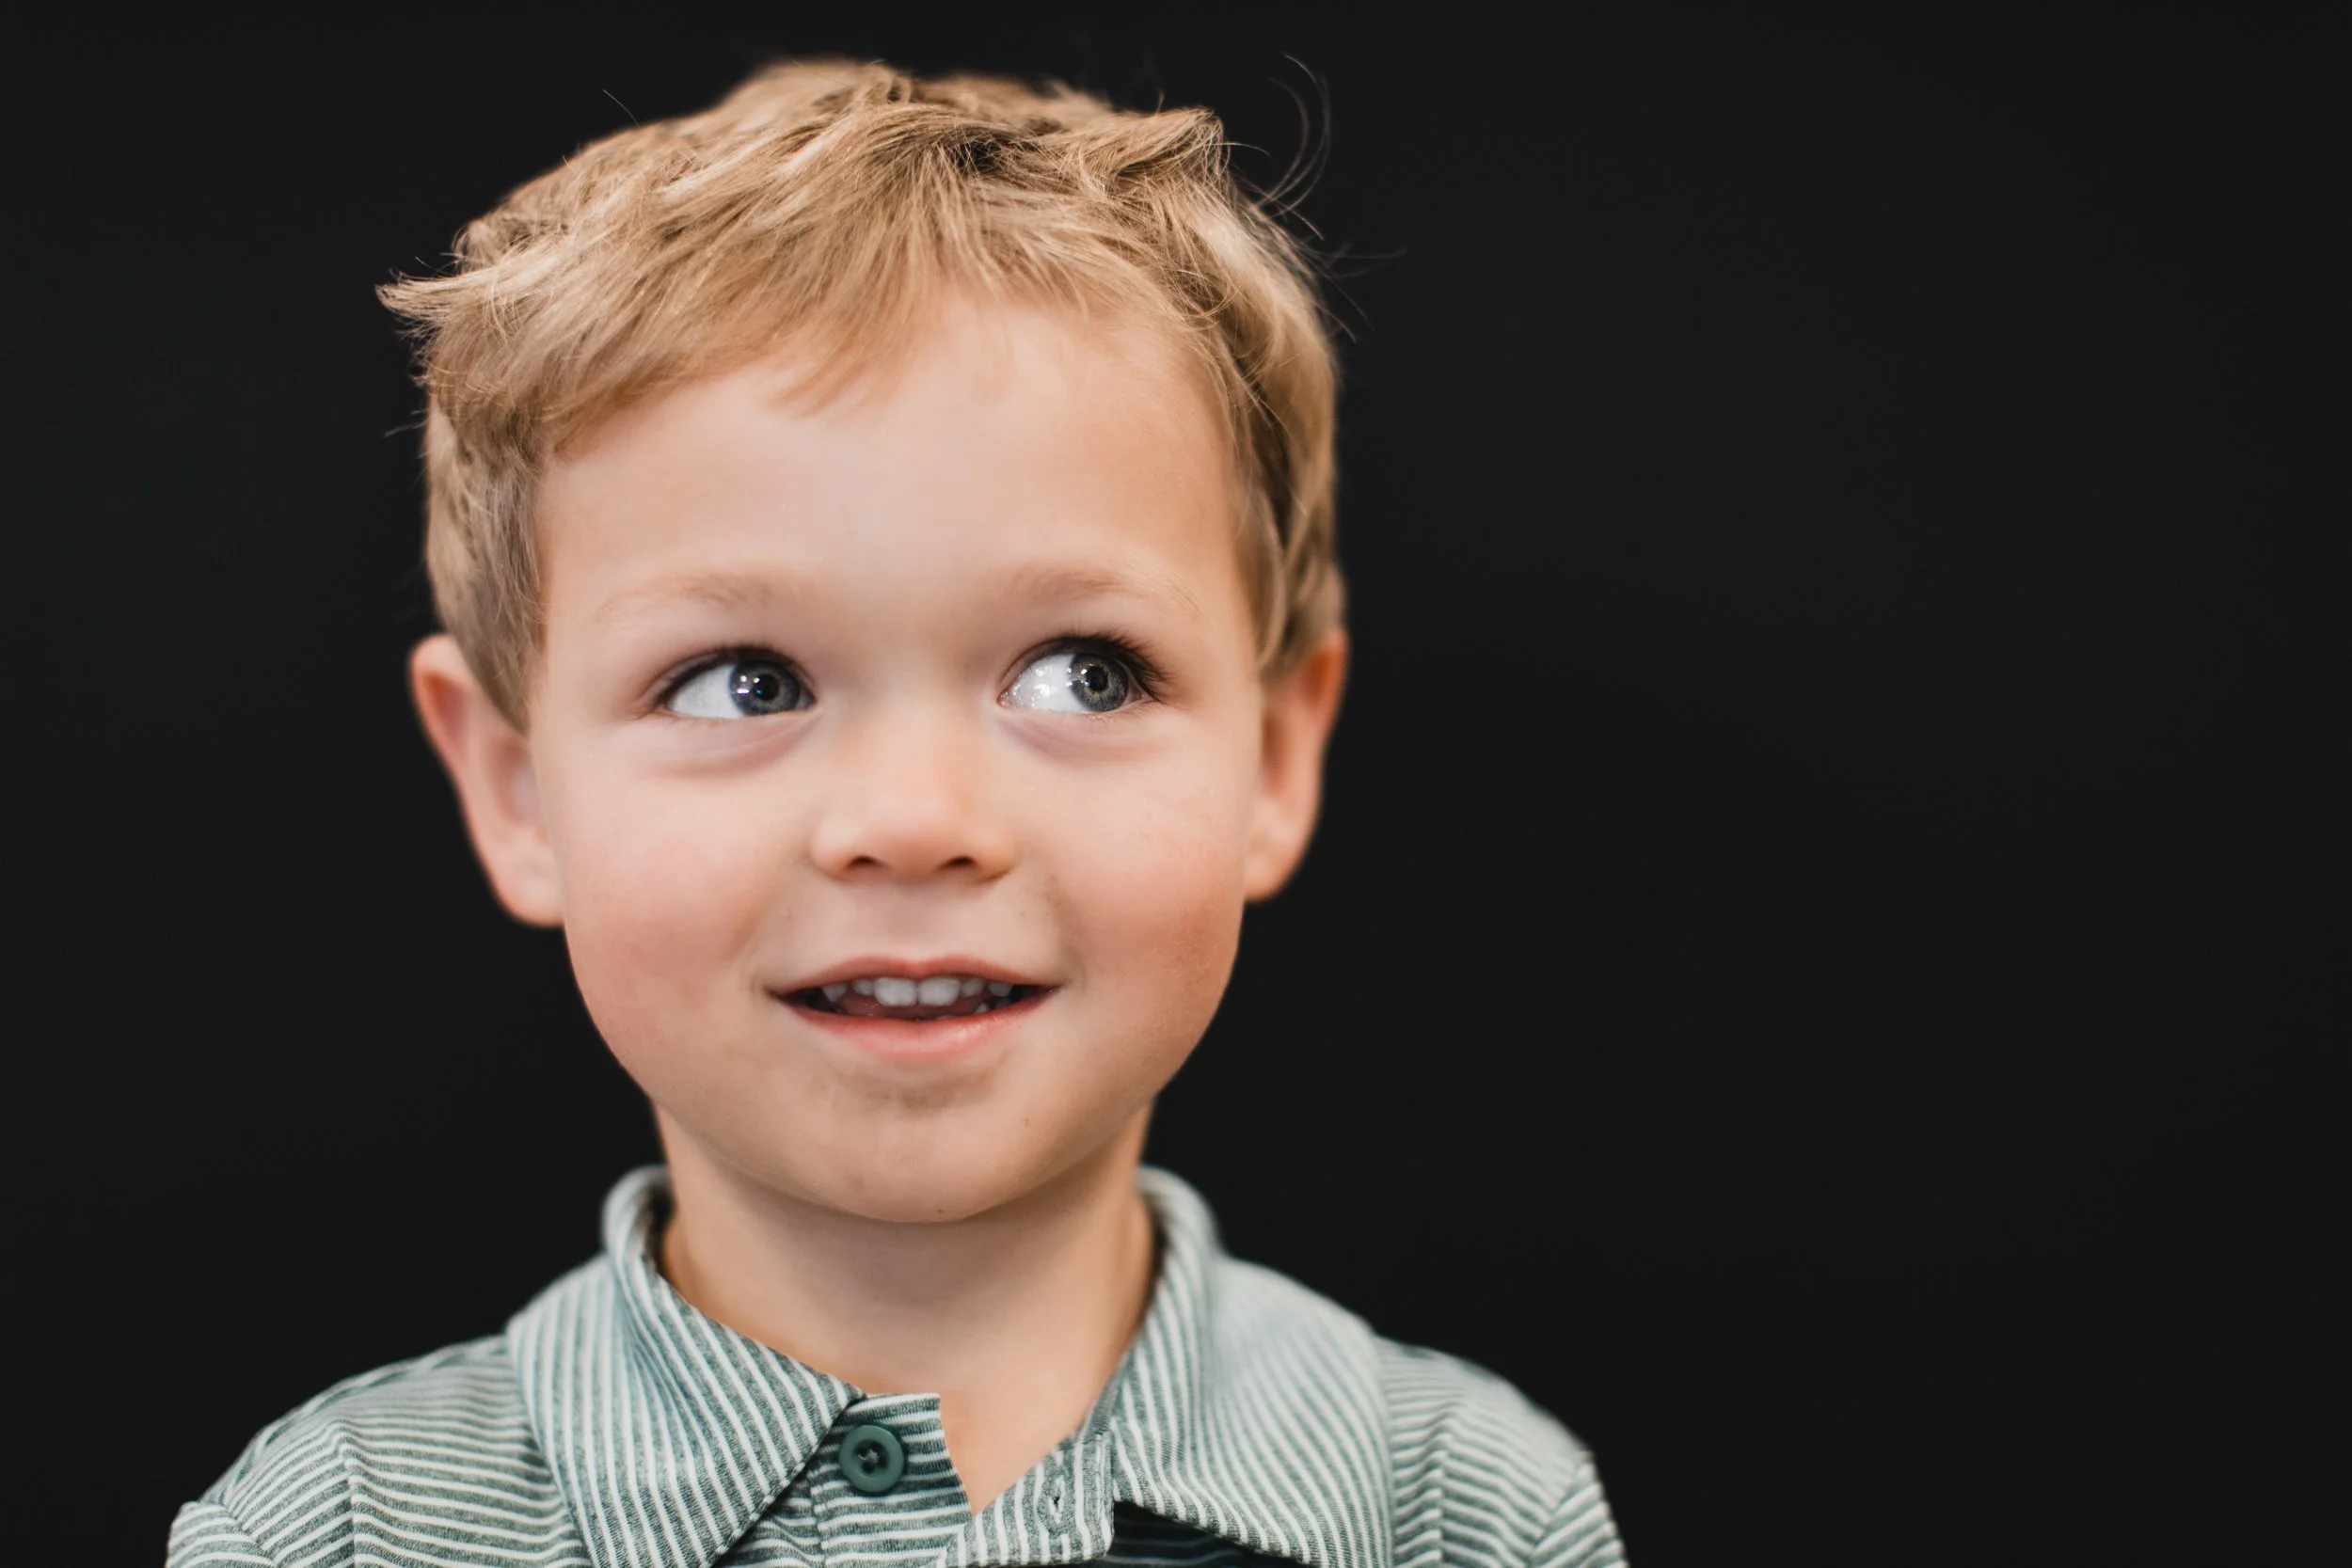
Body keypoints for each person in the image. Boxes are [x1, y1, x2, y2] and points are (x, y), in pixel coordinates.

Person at [167, 59, 1625, 1568]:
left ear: (1274, 756)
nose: (916, 821)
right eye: (742, 681)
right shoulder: (333, 1534)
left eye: (1083, 673)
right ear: (515, 785)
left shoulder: (1465, 1509)